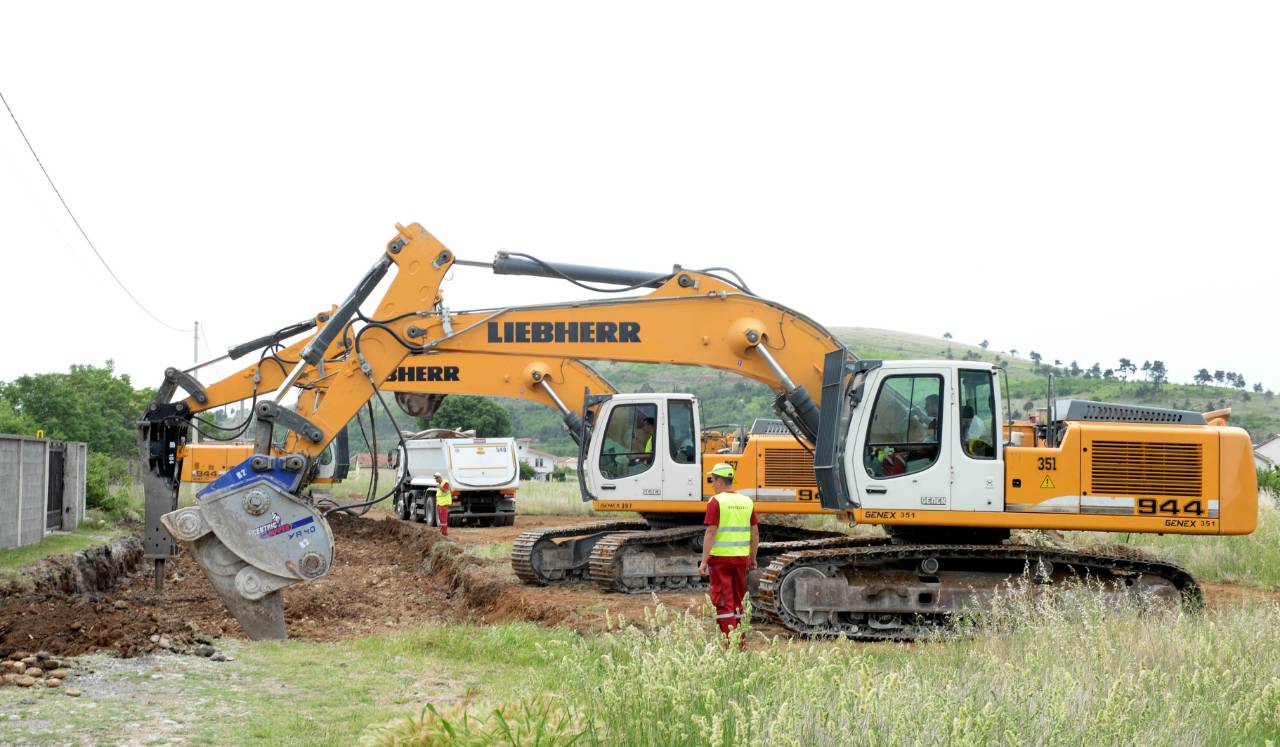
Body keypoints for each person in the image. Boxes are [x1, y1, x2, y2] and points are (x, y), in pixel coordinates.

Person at [698, 462, 758, 639]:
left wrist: (703, 561)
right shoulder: (747, 501)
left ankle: (730, 644)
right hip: (740, 560)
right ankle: (740, 640)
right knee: (738, 602)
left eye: (712, 480)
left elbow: (711, 531)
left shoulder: (716, 502)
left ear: (720, 482)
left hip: (720, 561)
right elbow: (755, 532)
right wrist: (752, 558)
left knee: (723, 602)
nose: (711, 484)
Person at [433, 471, 453, 537]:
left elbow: (445, 490)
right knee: (441, 519)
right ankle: (442, 531)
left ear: (440, 477)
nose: (436, 480)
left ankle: (444, 533)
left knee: (444, 520)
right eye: (435, 478)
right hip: (440, 505)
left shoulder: (445, 483)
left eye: (437, 478)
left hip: (444, 505)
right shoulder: (440, 484)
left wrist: (439, 487)